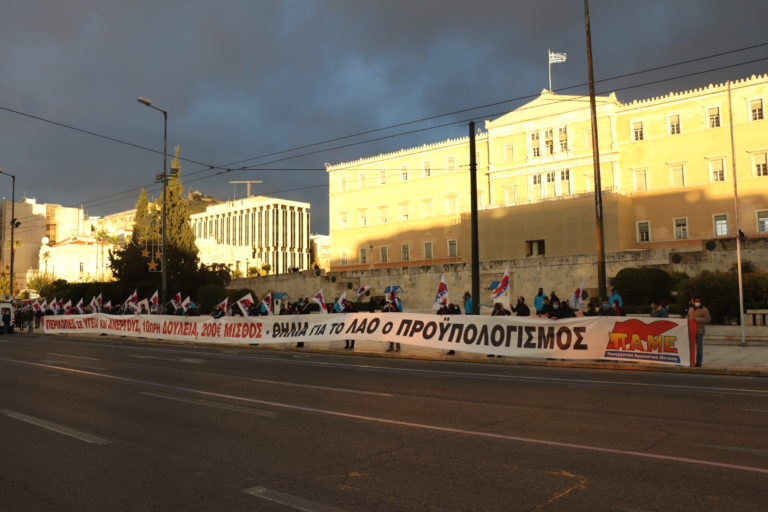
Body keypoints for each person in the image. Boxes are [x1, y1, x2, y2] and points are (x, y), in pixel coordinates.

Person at [687, 297, 711, 367]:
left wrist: (696, 320)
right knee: (690, 346)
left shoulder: (704, 310)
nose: (697, 303)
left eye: (699, 301)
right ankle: (690, 361)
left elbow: (708, 319)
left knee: (699, 346)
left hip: (699, 330)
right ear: (694, 302)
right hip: (691, 330)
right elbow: (688, 317)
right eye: (696, 301)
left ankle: (699, 362)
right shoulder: (691, 309)